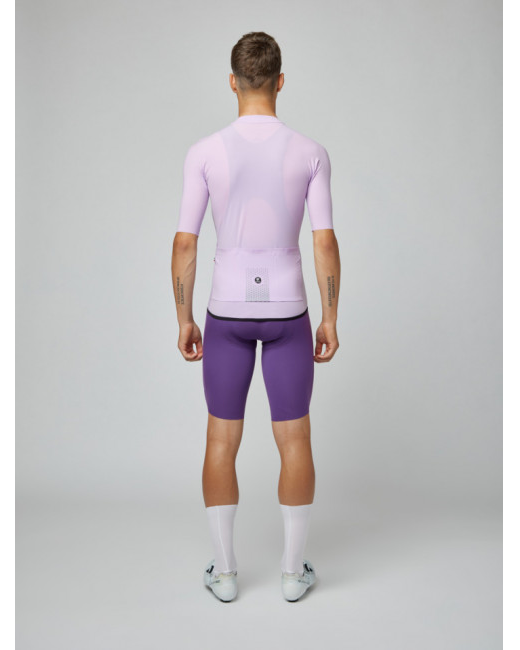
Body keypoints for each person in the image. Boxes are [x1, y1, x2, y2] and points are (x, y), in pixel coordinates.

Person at [171, 31, 341, 603]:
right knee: (295, 438)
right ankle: (293, 574)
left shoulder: (204, 152)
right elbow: (324, 242)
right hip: (289, 309)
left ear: (233, 82)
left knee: (222, 438)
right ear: (280, 81)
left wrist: (184, 318)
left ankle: (224, 573)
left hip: (226, 310)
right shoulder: (310, 152)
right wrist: (330, 317)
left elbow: (185, 244)